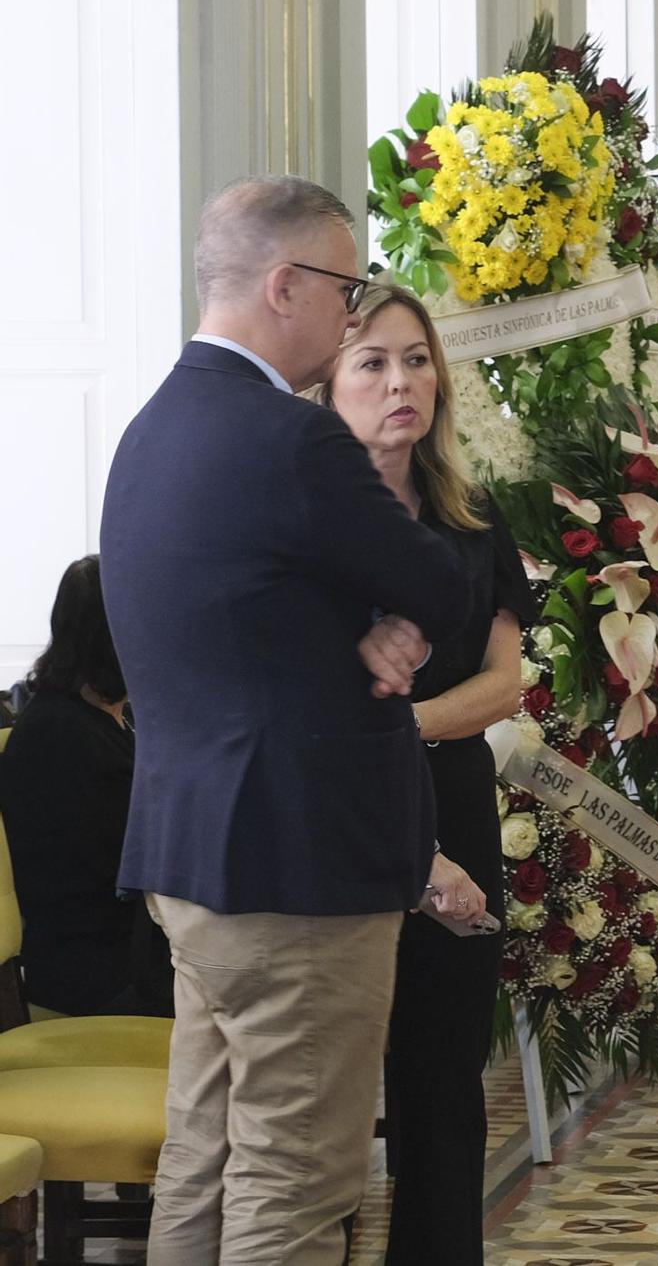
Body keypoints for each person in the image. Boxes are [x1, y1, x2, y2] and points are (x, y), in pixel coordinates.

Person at [99, 175, 478, 1262]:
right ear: (286, 284)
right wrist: (391, 610)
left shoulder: (153, 425)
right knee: (295, 1178)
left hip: (195, 854)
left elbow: (243, 619)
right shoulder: (292, 438)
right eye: (346, 288)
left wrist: (366, 618)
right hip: (298, 866)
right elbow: (441, 578)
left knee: (205, 1160)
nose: (352, 314)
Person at [313, 284, 529, 1262]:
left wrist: (399, 729)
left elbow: (505, 683)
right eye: (372, 362)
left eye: (415, 358)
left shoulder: (474, 523)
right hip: (333, 822)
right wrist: (387, 741)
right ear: (328, 384)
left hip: (451, 806)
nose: (400, 381)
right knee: (327, 1097)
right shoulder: (304, 525)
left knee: (444, 1086)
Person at [0, 556, 171, 1018]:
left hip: (129, 953)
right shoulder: (60, 738)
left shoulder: (111, 719)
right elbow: (145, 861)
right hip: (98, 977)